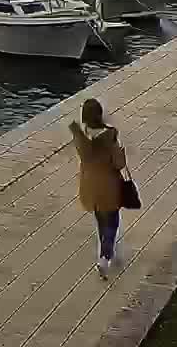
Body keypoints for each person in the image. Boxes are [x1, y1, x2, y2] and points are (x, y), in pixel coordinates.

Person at [70, 98, 130, 278]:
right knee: (112, 222)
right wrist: (121, 151)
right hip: (109, 185)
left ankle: (107, 249)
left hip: (90, 185)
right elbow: (118, 163)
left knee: (101, 221)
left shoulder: (82, 136)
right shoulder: (109, 135)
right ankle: (105, 257)